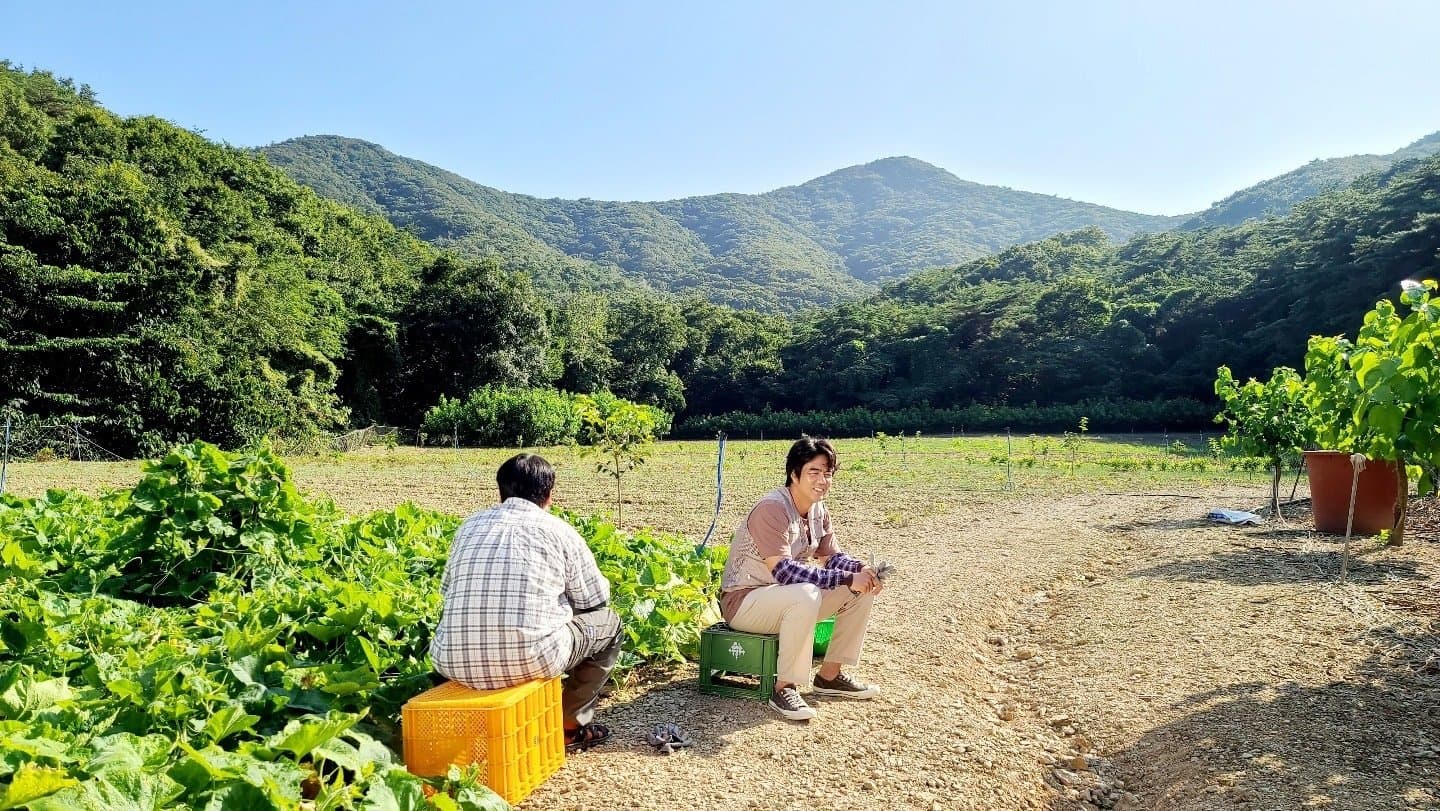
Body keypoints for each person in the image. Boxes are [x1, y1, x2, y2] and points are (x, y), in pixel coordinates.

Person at [430, 453, 620, 752]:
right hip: (533, 661)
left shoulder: (469, 526)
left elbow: (446, 591)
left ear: (501, 491)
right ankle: (568, 726)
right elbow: (595, 600)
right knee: (609, 624)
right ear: (549, 494)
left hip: (452, 663)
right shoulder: (560, 532)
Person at [720, 436, 884, 721]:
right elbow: (784, 572)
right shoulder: (772, 509)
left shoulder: (818, 509)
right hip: (746, 601)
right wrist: (846, 579)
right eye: (814, 472)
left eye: (828, 473)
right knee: (807, 591)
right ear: (794, 474)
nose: (823, 480)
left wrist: (861, 571)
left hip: (788, 600)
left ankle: (829, 677)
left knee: (863, 588)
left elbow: (831, 556)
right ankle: (784, 688)